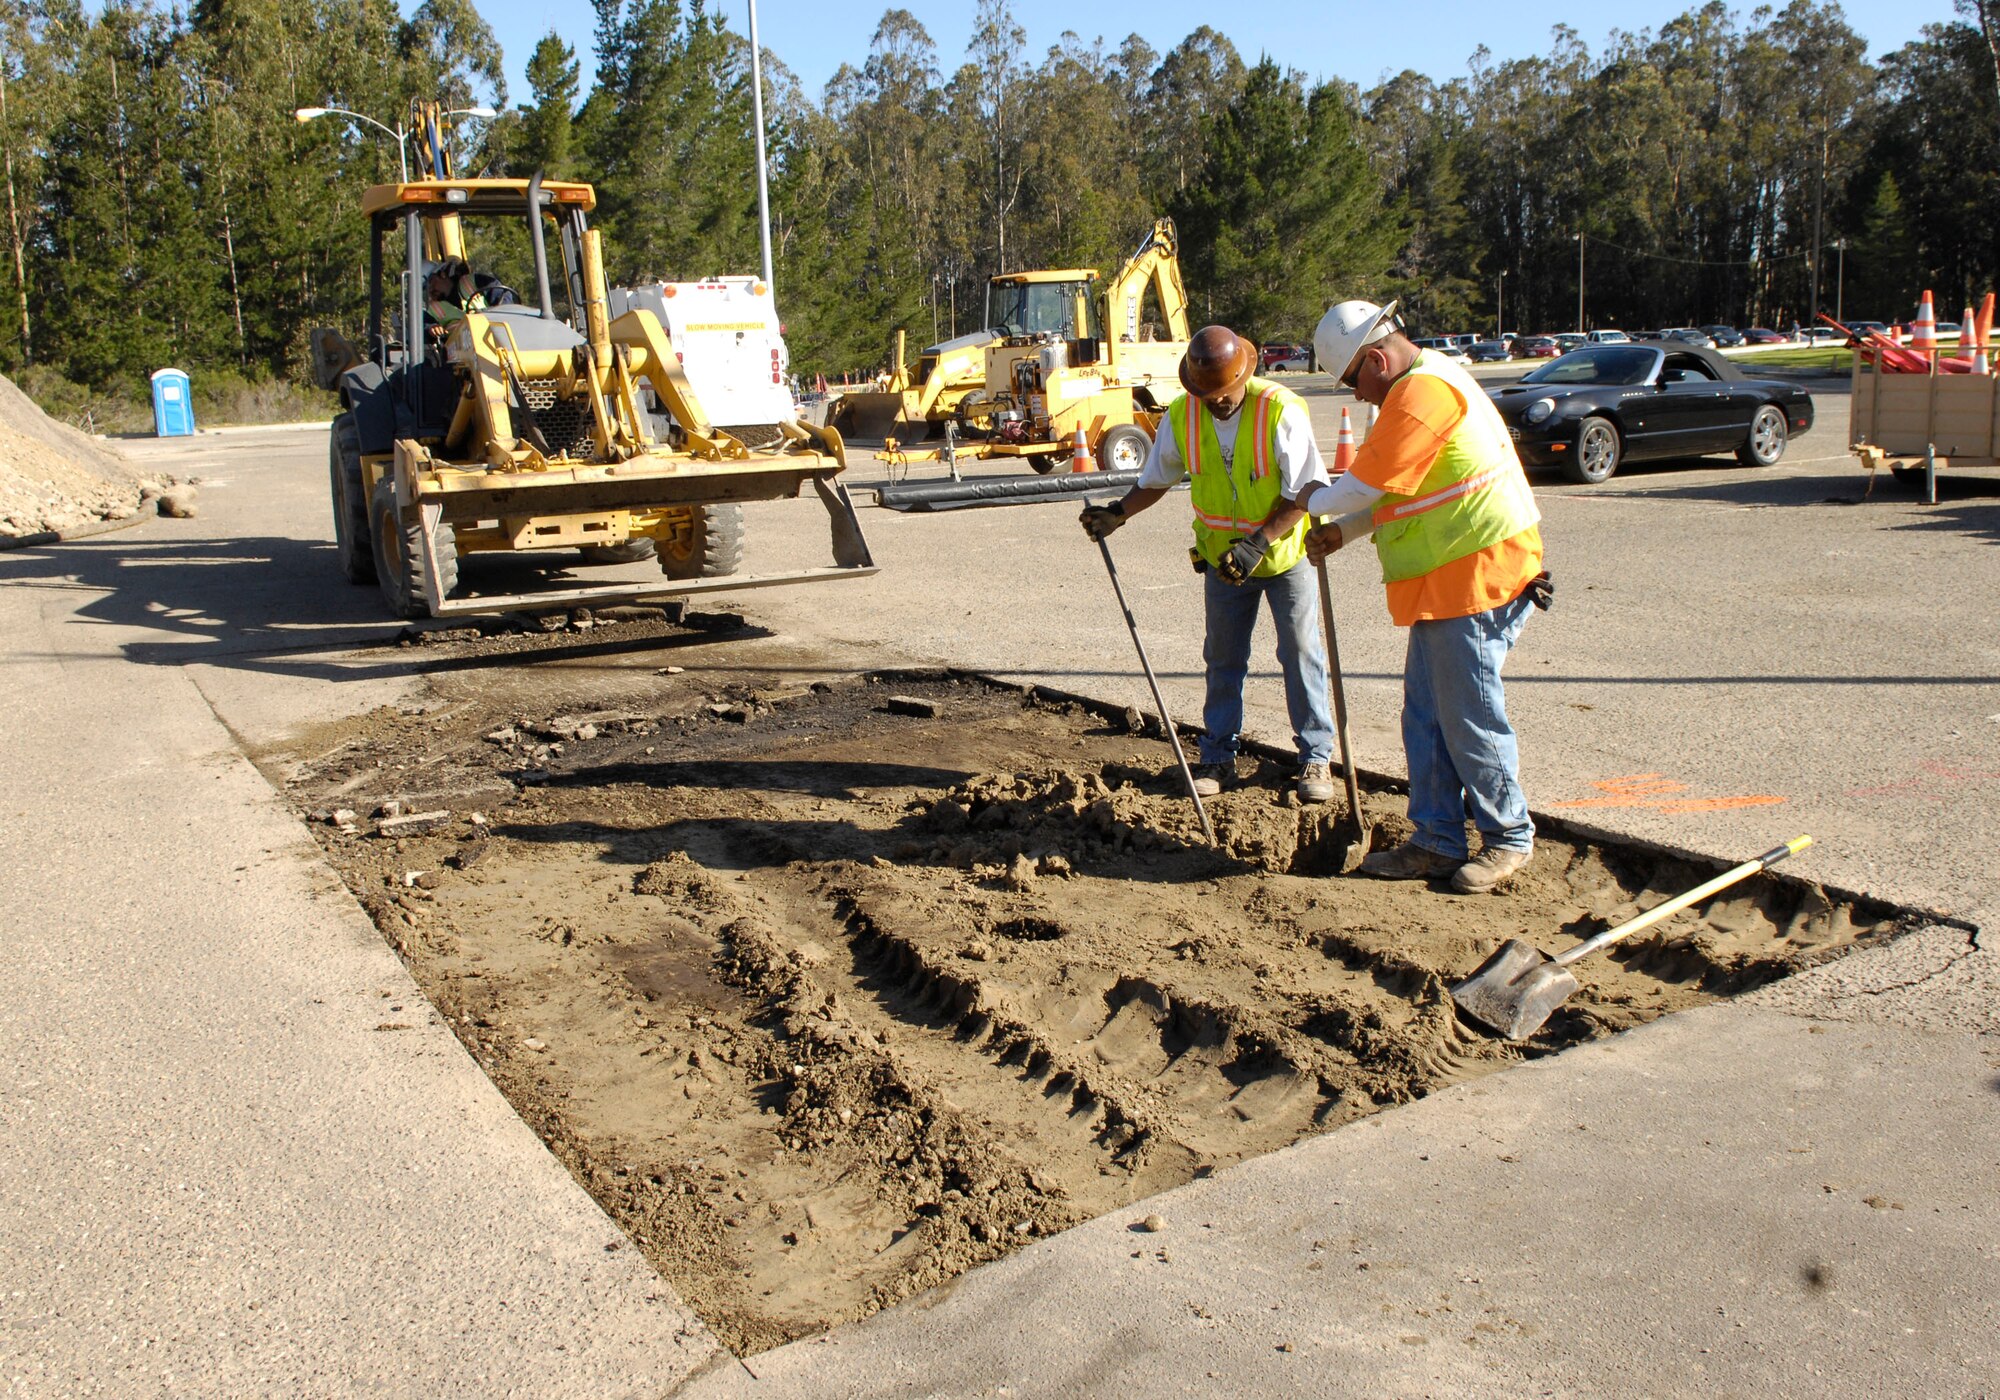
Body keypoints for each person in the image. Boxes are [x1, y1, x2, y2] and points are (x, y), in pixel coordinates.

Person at [1300, 299, 1549, 894]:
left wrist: (1307, 504)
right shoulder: (1414, 389)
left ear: (1378, 360)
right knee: (1427, 715)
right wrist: (1344, 531)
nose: (1356, 396)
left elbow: (1363, 484)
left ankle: (1508, 835)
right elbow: (1396, 493)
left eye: (1353, 379)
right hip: (1445, 580)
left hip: (1477, 573)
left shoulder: (1422, 394)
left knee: (1470, 716)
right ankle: (1437, 839)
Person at [1080, 324, 1336, 803]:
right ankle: (1218, 757)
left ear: (1244, 373)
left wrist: (1259, 541)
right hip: (1225, 563)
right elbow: (1157, 478)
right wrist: (1118, 513)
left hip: (1283, 557)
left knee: (1300, 654)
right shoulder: (1183, 414)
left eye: (1224, 391)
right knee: (1223, 659)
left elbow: (1306, 492)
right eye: (1206, 392)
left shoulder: (1279, 410)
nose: (1216, 400)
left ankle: (1315, 758)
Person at [423, 258, 518, 339]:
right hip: (463, 357)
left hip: (501, 338)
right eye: (424, 288)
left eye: (431, 282)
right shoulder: (432, 310)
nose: (430, 290)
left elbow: (504, 298)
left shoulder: (475, 282)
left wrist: (503, 315)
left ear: (442, 274)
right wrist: (432, 328)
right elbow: (425, 328)